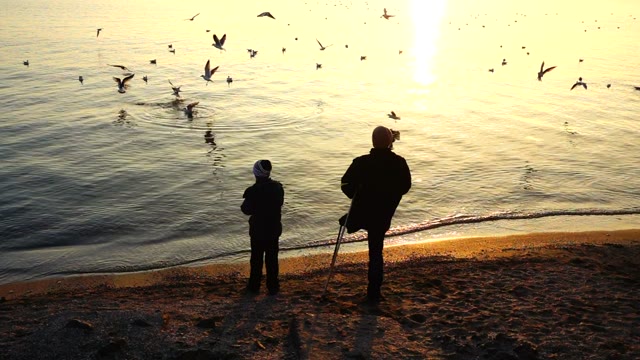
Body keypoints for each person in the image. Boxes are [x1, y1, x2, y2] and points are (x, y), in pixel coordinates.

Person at [340, 126, 411, 302]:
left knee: (374, 249)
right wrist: (390, 194)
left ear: (373, 141)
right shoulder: (399, 162)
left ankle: (352, 221)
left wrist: (355, 191)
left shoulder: (361, 162)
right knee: (376, 251)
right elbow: (405, 187)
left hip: (364, 211)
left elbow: (345, 184)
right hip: (383, 213)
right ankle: (374, 291)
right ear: (389, 142)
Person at [241, 160, 285, 295]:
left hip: (258, 230)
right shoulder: (278, 188)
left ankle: (254, 285)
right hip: (273, 229)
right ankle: (273, 285)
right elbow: (280, 203)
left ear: (256, 173)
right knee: (272, 258)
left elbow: (245, 209)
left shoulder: (252, 191)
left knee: (256, 258)